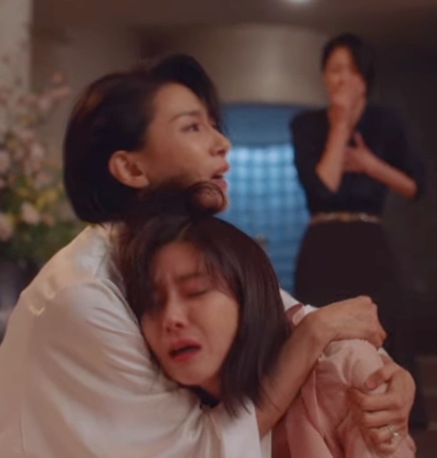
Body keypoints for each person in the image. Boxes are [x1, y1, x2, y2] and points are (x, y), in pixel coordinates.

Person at [0, 53, 415, 458]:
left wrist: (389, 380)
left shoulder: (182, 251)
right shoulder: (85, 294)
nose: (222, 143)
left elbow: (302, 322)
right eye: (193, 127)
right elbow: (194, 451)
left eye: (214, 125)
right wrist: (312, 337)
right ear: (131, 169)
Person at [116, 182, 416, 458]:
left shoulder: (340, 374)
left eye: (196, 291)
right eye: (152, 304)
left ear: (247, 298)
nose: (171, 318)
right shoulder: (152, 408)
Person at [291, 32, 427, 429]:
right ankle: (320, 426)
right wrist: (339, 124)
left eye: (350, 71)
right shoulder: (306, 125)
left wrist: (370, 164)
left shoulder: (387, 123)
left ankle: (393, 423)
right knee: (319, 332)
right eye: (334, 70)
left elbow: (416, 185)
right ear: (323, 76)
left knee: (386, 330)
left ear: (365, 78)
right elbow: (323, 187)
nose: (341, 79)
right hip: (322, 242)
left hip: (369, 241)